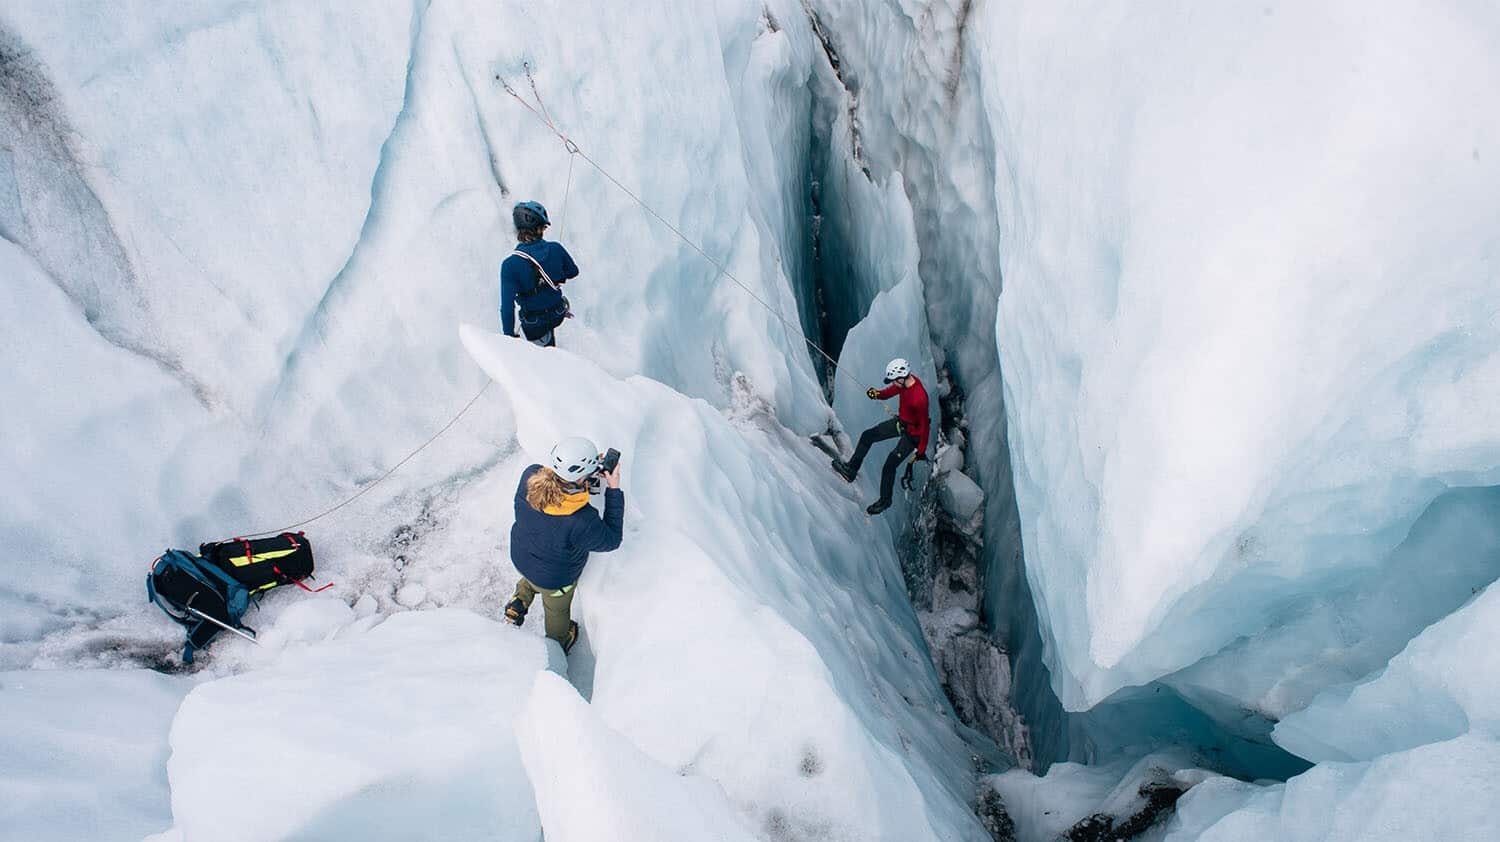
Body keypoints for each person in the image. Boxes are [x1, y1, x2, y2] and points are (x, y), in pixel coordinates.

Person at [503, 436, 624, 654]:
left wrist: (583, 478)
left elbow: (558, 494)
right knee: (556, 610)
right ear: (582, 475)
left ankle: (518, 602)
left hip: (521, 556)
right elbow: (612, 540)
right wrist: (613, 490)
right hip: (555, 580)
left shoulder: (529, 476)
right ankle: (558, 641)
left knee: (532, 577)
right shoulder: (582, 520)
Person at [831, 358, 930, 515]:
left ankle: (885, 501)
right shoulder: (904, 384)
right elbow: (891, 391)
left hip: (913, 435)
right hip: (901, 424)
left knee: (889, 466)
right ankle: (851, 470)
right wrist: (877, 394)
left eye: (894, 380)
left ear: (902, 377)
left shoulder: (919, 398)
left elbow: (924, 425)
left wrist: (921, 450)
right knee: (868, 436)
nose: (893, 384)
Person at [500, 200, 579, 347]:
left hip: (534, 325)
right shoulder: (556, 248)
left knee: (545, 356)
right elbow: (573, 272)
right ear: (541, 228)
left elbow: (507, 308)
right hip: (558, 312)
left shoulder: (510, 265)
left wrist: (509, 337)